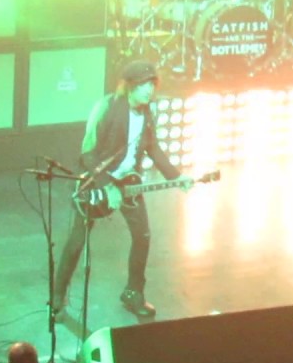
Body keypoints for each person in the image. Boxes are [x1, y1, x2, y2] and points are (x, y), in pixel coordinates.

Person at [53, 59, 194, 317]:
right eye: (144, 86)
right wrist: (108, 187)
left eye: (153, 85)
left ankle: (134, 293)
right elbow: (88, 154)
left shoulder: (147, 112)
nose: (150, 91)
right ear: (130, 86)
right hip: (99, 182)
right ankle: (57, 295)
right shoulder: (108, 107)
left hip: (129, 182)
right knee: (77, 241)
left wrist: (177, 176)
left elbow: (153, 148)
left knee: (143, 236)